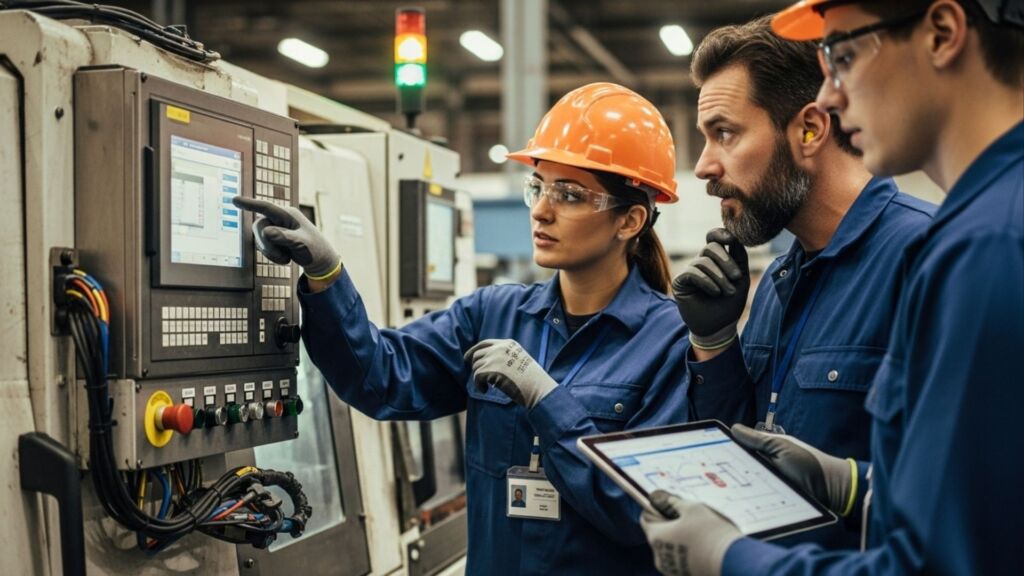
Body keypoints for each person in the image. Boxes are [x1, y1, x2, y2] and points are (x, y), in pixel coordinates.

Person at [234, 83, 692, 575]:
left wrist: (547, 402)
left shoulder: (670, 343)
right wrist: (327, 276)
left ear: (630, 220)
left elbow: (640, 512)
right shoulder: (493, 315)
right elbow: (381, 377)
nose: (541, 209)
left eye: (570, 194)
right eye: (538, 186)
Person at [640, 1, 1024, 574]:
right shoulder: (780, 280)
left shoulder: (962, 250)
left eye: (843, 58)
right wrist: (850, 485)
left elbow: (942, 557)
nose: (834, 94)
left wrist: (730, 561)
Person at [672, 15, 934, 549]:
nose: (702, 166)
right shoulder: (779, 280)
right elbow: (743, 450)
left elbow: (962, 495)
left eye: (724, 133)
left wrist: (846, 486)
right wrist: (714, 343)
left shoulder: (923, 258)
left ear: (810, 130)